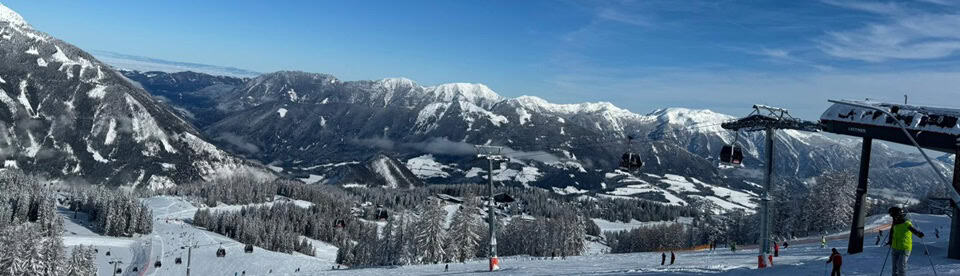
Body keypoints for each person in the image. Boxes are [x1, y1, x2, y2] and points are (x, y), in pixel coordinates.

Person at [886, 207, 924, 276]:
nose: (893, 217)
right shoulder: (895, 222)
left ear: (898, 214)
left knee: (901, 266)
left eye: (894, 215)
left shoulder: (906, 223)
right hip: (895, 247)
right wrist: (890, 241)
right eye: (892, 216)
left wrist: (919, 234)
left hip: (904, 248)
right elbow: (892, 232)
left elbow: (913, 230)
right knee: (894, 268)